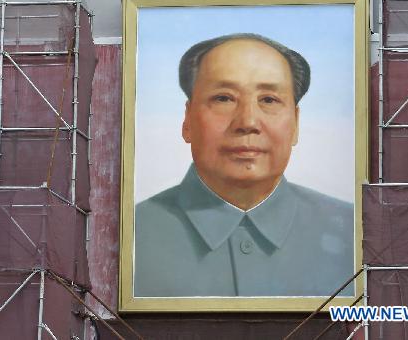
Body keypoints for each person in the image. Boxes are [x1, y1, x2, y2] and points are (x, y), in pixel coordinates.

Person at [134, 33, 354, 298]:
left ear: (295, 123)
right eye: (223, 98)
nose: (247, 121)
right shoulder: (134, 233)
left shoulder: (352, 231)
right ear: (187, 120)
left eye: (269, 100)